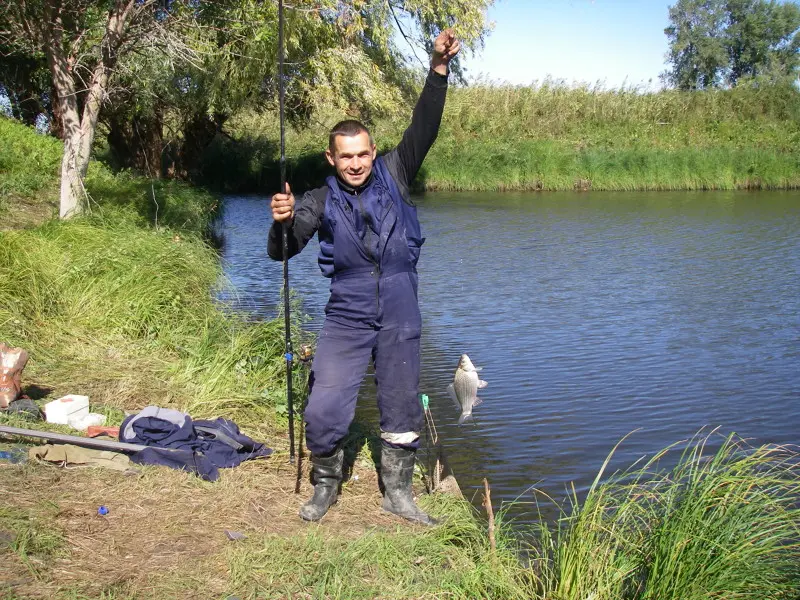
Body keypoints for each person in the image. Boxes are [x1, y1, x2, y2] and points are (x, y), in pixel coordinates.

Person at [268, 30, 461, 524]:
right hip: (347, 311)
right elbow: (282, 252)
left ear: (374, 152)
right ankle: (325, 483)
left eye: (362, 154)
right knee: (324, 405)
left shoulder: (397, 173)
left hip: (401, 305)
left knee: (400, 405)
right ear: (331, 159)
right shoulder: (316, 199)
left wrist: (438, 67)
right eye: (345, 156)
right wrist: (282, 222)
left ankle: (397, 493)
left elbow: (426, 126)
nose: (355, 163)